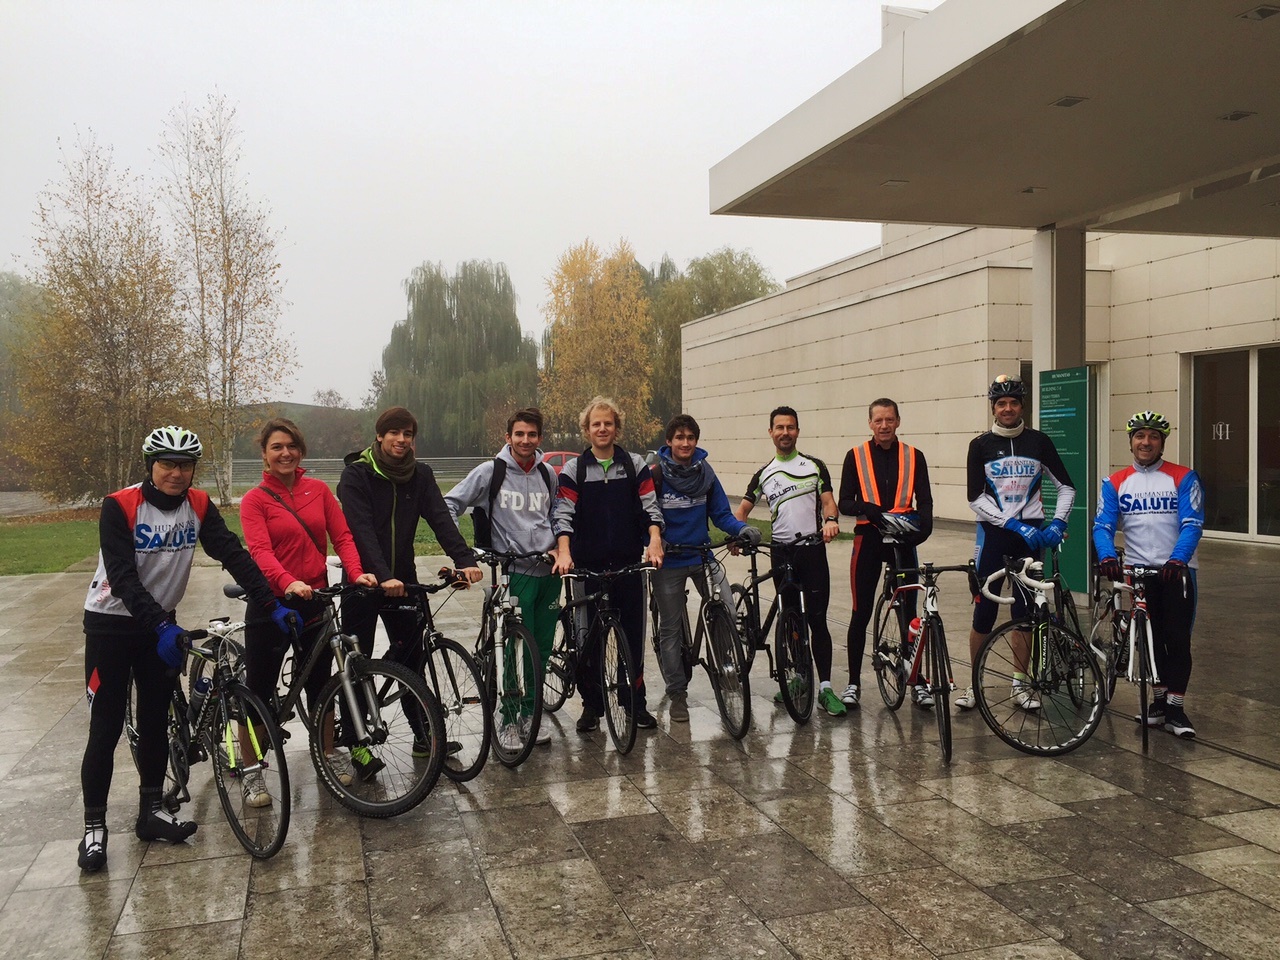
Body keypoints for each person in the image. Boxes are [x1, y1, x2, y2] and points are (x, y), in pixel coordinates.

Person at [78, 426, 295, 873]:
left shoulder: (197, 505)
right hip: (110, 626)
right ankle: (94, 828)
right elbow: (122, 576)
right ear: (150, 466)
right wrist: (160, 624)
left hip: (159, 626)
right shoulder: (119, 505)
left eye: (185, 465)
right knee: (106, 727)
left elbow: (233, 554)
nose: (176, 473)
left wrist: (270, 603)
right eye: (167, 464)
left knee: (156, 720)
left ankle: (151, 812)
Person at [239, 418, 378, 793]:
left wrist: (356, 572)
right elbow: (260, 552)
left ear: (300, 451)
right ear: (265, 455)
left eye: (291, 446)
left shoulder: (318, 491)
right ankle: (252, 771)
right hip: (272, 603)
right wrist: (288, 582)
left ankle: (327, 755)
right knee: (259, 687)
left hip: (315, 599)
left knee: (321, 684)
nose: (285, 453)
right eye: (276, 447)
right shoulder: (254, 500)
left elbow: (343, 536)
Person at [337, 406, 482, 677]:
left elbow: (440, 519)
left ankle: (415, 705)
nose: (402, 439)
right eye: (394, 432)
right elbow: (362, 531)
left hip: (404, 580)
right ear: (380, 435)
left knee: (413, 661)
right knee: (357, 666)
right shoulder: (356, 475)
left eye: (408, 434)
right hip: (363, 581)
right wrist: (383, 576)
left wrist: (465, 559)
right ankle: (356, 706)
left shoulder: (420, 474)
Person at [959, 375, 1075, 711]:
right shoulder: (980, 445)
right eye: (1001, 403)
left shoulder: (1039, 442)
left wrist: (1058, 522)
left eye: (1013, 402)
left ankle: (1020, 685)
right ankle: (975, 684)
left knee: (1025, 613)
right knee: (984, 612)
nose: (1007, 408)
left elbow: (1066, 487)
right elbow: (975, 497)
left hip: (1032, 538)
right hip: (994, 536)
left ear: (1022, 406)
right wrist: (1010, 523)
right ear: (993, 408)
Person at [446, 407, 558, 747]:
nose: (525, 440)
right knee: (514, 648)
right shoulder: (489, 472)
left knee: (541, 650)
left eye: (532, 434)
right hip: (514, 573)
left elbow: (557, 514)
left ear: (540, 438)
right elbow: (449, 505)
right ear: (508, 437)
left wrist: (560, 546)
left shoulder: (547, 474)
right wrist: (464, 553)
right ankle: (508, 718)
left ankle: (530, 713)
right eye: (519, 434)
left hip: (548, 572)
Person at [551, 396, 664, 733]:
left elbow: (650, 507)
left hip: (628, 566)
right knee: (588, 640)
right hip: (587, 568)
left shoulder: (634, 465)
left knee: (632, 640)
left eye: (608, 423)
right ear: (586, 430)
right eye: (596, 424)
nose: (602, 429)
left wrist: (654, 540)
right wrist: (565, 551)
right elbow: (563, 515)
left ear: (617, 428)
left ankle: (635, 703)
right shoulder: (574, 470)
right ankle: (592, 705)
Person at [1093, 410, 1204, 738]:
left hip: (1176, 572)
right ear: (1131, 442)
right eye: (1140, 436)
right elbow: (1102, 525)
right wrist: (1107, 555)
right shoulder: (1115, 482)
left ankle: (1176, 709)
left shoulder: (1184, 477)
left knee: (1177, 639)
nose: (1146, 442)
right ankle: (1158, 704)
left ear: (1162, 443)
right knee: (1149, 641)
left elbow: (1192, 523)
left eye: (1153, 437)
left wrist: (1178, 559)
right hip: (1138, 572)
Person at [734, 406, 843, 716]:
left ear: (797, 431)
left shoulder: (814, 466)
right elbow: (742, 510)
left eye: (790, 427)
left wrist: (831, 521)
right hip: (781, 553)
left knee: (817, 620)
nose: (785, 432)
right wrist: (736, 533)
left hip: (812, 550)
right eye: (779, 427)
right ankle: (800, 679)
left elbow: (828, 502)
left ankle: (825, 688)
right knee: (791, 617)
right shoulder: (764, 473)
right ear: (771, 432)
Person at [650, 414, 760, 722]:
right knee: (670, 628)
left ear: (696, 441)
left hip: (702, 556)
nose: (685, 443)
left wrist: (741, 529)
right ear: (669, 441)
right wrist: (653, 543)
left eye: (690, 438)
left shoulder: (706, 474)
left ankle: (725, 665)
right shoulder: (656, 476)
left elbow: (721, 514)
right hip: (669, 561)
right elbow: (645, 518)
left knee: (726, 607)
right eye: (679, 437)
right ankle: (677, 693)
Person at [837, 398, 933, 709]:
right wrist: (867, 508)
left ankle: (916, 681)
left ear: (898, 421)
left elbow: (925, 500)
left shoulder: (914, 455)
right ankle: (853, 682)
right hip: (868, 539)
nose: (884, 426)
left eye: (889, 419)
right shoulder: (855, 455)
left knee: (910, 614)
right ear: (870, 423)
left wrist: (924, 531)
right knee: (860, 612)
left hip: (902, 541)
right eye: (878, 420)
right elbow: (844, 503)